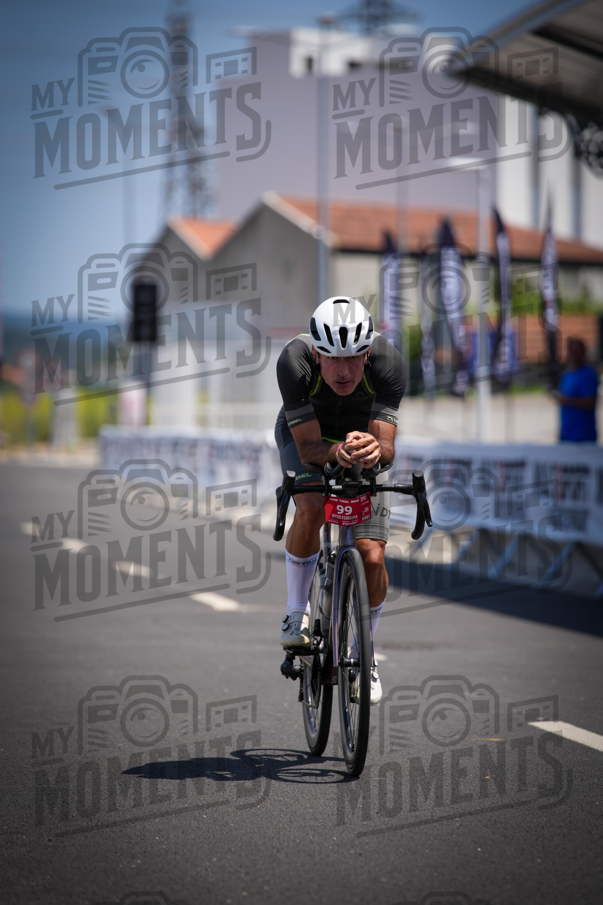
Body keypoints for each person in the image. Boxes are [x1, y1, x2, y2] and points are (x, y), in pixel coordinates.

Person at [275, 296, 407, 705]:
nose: (344, 370)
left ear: (368, 352)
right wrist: (335, 454)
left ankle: (363, 653)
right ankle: (297, 612)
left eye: (354, 358)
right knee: (312, 506)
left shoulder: (389, 363)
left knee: (370, 554)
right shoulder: (294, 362)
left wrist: (374, 450)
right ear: (316, 352)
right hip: (309, 438)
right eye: (332, 359)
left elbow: (386, 449)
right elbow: (310, 445)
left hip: (360, 440)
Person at [554, 338, 599, 443]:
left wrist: (567, 401)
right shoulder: (567, 374)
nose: (575, 354)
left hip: (583, 436)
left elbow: (590, 401)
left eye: (577, 351)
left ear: (583, 352)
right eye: (573, 351)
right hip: (566, 435)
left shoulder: (588, 374)